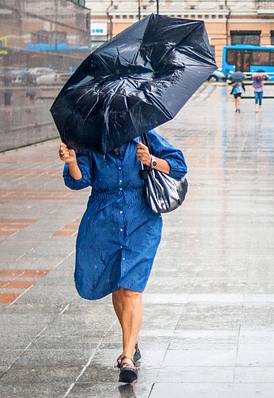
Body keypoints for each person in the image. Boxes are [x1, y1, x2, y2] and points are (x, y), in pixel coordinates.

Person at [58, 131, 187, 384]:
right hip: (103, 222)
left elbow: (179, 166)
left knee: (131, 288)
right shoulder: (90, 143)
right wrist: (72, 161)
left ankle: (127, 357)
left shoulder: (145, 137)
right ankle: (132, 339)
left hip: (142, 220)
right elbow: (78, 181)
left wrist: (151, 160)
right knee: (118, 286)